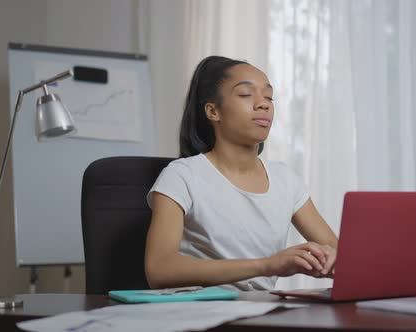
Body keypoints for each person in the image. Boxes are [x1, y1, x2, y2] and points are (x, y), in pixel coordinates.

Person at [145, 55, 338, 291]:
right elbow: (159, 269)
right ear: (213, 111)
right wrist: (267, 265)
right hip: (197, 310)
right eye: (246, 95)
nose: (263, 104)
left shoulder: (285, 179)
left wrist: (326, 260)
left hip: (261, 311)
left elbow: (337, 252)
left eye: (268, 97)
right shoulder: (182, 175)